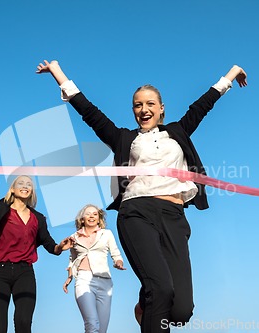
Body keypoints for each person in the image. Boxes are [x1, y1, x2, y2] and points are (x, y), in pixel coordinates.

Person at [36, 60, 247, 333]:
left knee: (181, 310)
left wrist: (231, 73)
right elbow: (89, 113)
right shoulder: (124, 138)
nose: (144, 110)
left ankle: (143, 308)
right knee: (159, 290)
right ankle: (151, 302)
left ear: (161, 109)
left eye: (150, 104)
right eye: (137, 105)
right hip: (136, 213)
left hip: (173, 216)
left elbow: (203, 105)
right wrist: (57, 72)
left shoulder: (178, 131)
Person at [0, 175, 74, 333]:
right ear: (12, 189)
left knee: (23, 322)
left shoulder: (38, 218)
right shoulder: (1, 210)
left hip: (24, 273)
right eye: (21, 183)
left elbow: (49, 244)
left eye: (29, 184)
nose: (25, 186)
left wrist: (60, 247)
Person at [63, 204, 126, 333]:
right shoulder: (74, 237)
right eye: (88, 214)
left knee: (102, 329)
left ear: (99, 219)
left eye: (95, 214)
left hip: (105, 281)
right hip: (83, 279)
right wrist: (69, 277)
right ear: (82, 219)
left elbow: (116, 253)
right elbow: (72, 259)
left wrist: (118, 263)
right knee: (92, 323)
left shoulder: (106, 234)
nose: (91, 216)